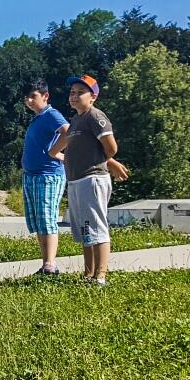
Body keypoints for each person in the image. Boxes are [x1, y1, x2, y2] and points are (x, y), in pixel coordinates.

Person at [47, 75, 130, 286]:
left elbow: (110, 148)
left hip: (92, 179)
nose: (74, 96)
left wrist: (102, 162)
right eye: (72, 92)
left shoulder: (95, 117)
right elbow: (55, 151)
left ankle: (100, 276)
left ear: (92, 97)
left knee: (97, 228)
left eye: (79, 92)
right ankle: (88, 274)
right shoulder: (75, 121)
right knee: (85, 230)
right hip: (76, 181)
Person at [19, 79, 69, 274]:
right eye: (26, 98)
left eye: (34, 96)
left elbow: (68, 132)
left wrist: (55, 152)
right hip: (32, 175)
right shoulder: (38, 118)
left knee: (47, 218)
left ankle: (50, 265)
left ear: (45, 96)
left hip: (48, 175)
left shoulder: (51, 114)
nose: (29, 101)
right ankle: (45, 264)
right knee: (38, 220)